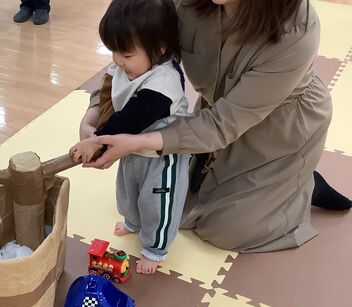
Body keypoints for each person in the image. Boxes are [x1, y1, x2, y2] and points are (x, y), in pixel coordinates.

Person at [83, 0, 351, 253]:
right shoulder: (185, 4)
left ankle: (298, 184)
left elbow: (225, 123)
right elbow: (136, 48)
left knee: (226, 229)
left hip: (279, 128)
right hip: (215, 115)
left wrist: (139, 142)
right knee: (173, 202)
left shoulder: (297, 29)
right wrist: (95, 114)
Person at [71, 0, 190, 274]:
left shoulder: (163, 82)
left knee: (157, 201)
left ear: (160, 48)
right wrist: (90, 123)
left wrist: (96, 141)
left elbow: (131, 118)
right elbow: (107, 91)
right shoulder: (129, 66)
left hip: (162, 156)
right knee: (128, 190)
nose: (117, 60)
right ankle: (133, 222)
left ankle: (155, 248)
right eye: (113, 50)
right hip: (130, 147)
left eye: (125, 53)